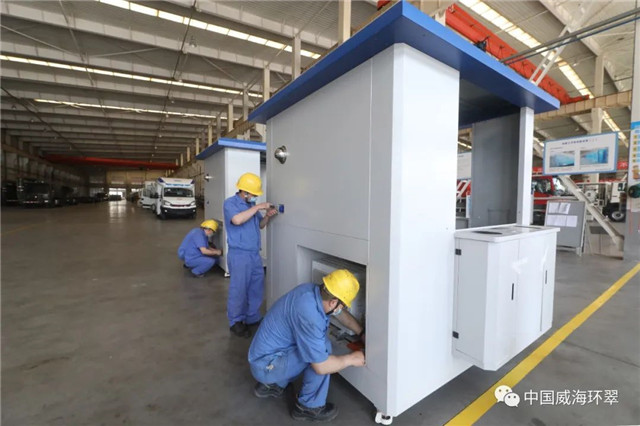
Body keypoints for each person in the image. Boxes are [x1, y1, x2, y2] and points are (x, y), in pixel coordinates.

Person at [248, 269, 366, 422]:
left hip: (262, 357)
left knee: (314, 346)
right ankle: (308, 407)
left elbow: (339, 313)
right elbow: (321, 366)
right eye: (342, 305)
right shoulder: (310, 316)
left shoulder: (310, 291)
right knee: (323, 349)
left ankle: (272, 385)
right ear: (333, 302)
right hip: (266, 366)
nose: (341, 309)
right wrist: (352, 359)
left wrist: (361, 332)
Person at [223, 172, 278, 338]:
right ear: (245, 192)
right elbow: (237, 220)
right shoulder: (230, 203)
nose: (255, 197)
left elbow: (260, 225)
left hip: (254, 254)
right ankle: (236, 321)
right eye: (253, 194)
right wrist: (258, 207)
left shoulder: (250, 206)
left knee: (256, 287)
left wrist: (267, 216)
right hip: (239, 254)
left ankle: (252, 317)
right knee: (239, 289)